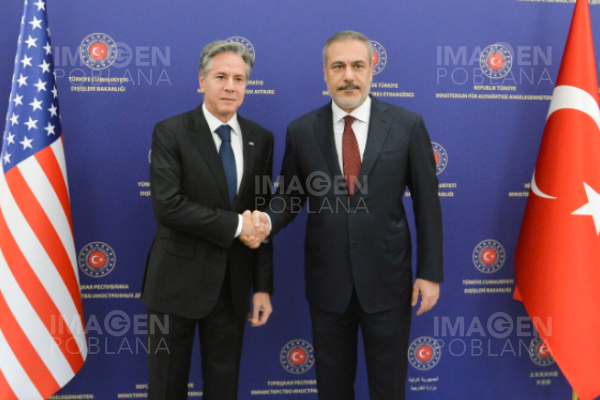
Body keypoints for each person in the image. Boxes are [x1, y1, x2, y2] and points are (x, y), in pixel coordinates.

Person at [245, 30, 443, 400]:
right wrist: (266, 222)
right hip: (328, 284)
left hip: (388, 282)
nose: (348, 76)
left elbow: (428, 204)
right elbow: (289, 196)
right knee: (332, 389)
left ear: (371, 70)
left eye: (357, 66)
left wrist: (430, 272)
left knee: (389, 388)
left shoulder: (407, 125)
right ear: (325, 73)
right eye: (338, 66)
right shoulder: (302, 130)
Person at [141, 40, 274, 400]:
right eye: (221, 77)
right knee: (165, 390)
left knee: (224, 390)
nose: (230, 86)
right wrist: (237, 226)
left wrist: (262, 286)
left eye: (239, 79)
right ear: (202, 81)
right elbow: (168, 206)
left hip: (232, 288)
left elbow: (261, 214)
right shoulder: (170, 131)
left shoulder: (261, 139)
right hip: (172, 288)